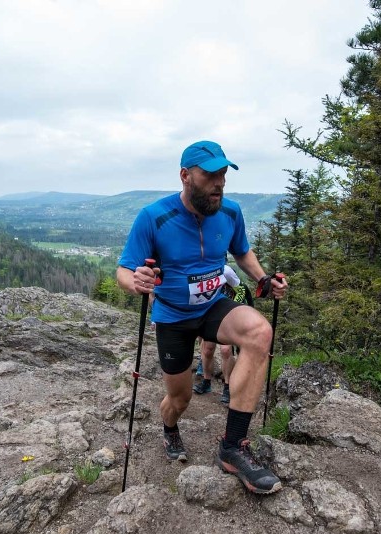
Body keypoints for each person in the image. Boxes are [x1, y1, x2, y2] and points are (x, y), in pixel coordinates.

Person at [116, 140, 288, 495]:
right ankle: (169, 428)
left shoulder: (230, 212)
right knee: (180, 400)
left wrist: (263, 280)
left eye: (223, 175)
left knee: (259, 332)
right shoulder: (153, 217)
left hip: (213, 307)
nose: (219, 183)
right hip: (173, 317)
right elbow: (123, 270)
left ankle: (232, 446)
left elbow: (242, 251)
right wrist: (136, 281)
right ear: (185, 176)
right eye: (211, 175)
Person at [193, 265, 253, 405]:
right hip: (209, 313)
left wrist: (232, 306)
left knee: (226, 350)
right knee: (207, 349)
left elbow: (242, 289)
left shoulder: (225, 271)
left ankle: (227, 387)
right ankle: (206, 381)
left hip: (227, 313)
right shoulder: (196, 268)